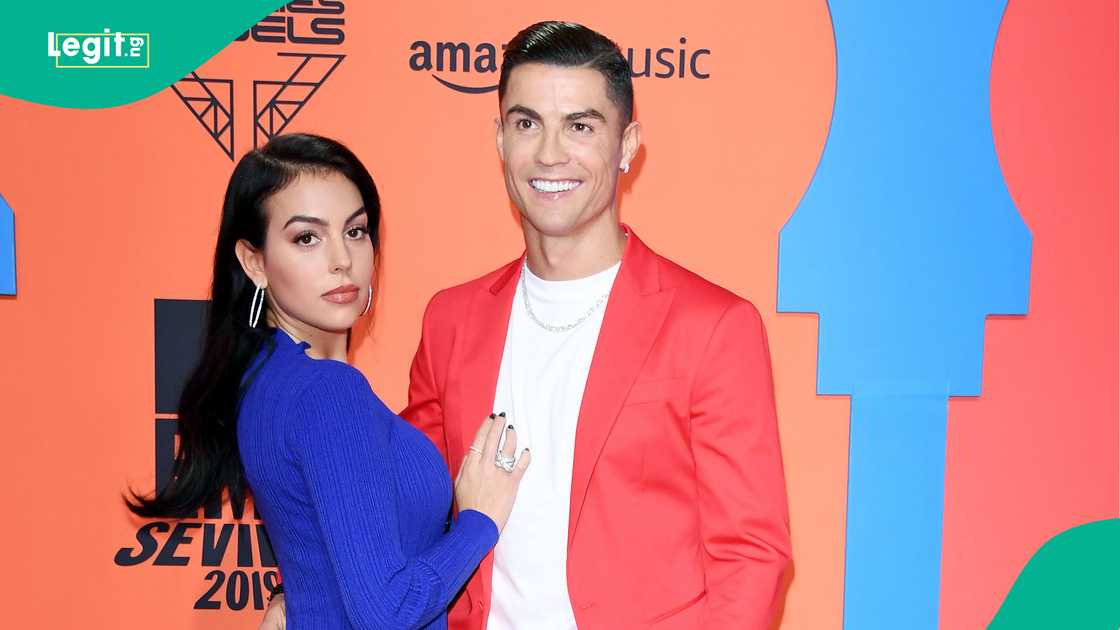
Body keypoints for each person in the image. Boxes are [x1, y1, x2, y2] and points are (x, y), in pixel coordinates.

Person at [268, 20, 791, 629]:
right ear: (499, 139)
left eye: (580, 126)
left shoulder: (713, 326)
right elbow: (399, 508)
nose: (549, 153)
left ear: (627, 145)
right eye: (526, 123)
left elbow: (752, 558)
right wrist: (302, 593)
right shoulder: (452, 319)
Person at [127, 133, 529, 629]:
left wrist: (287, 590)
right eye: (307, 238)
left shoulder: (264, 379)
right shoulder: (327, 393)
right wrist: (479, 521)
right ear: (254, 261)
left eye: (356, 231)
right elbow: (388, 611)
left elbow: (323, 551)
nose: (342, 258)